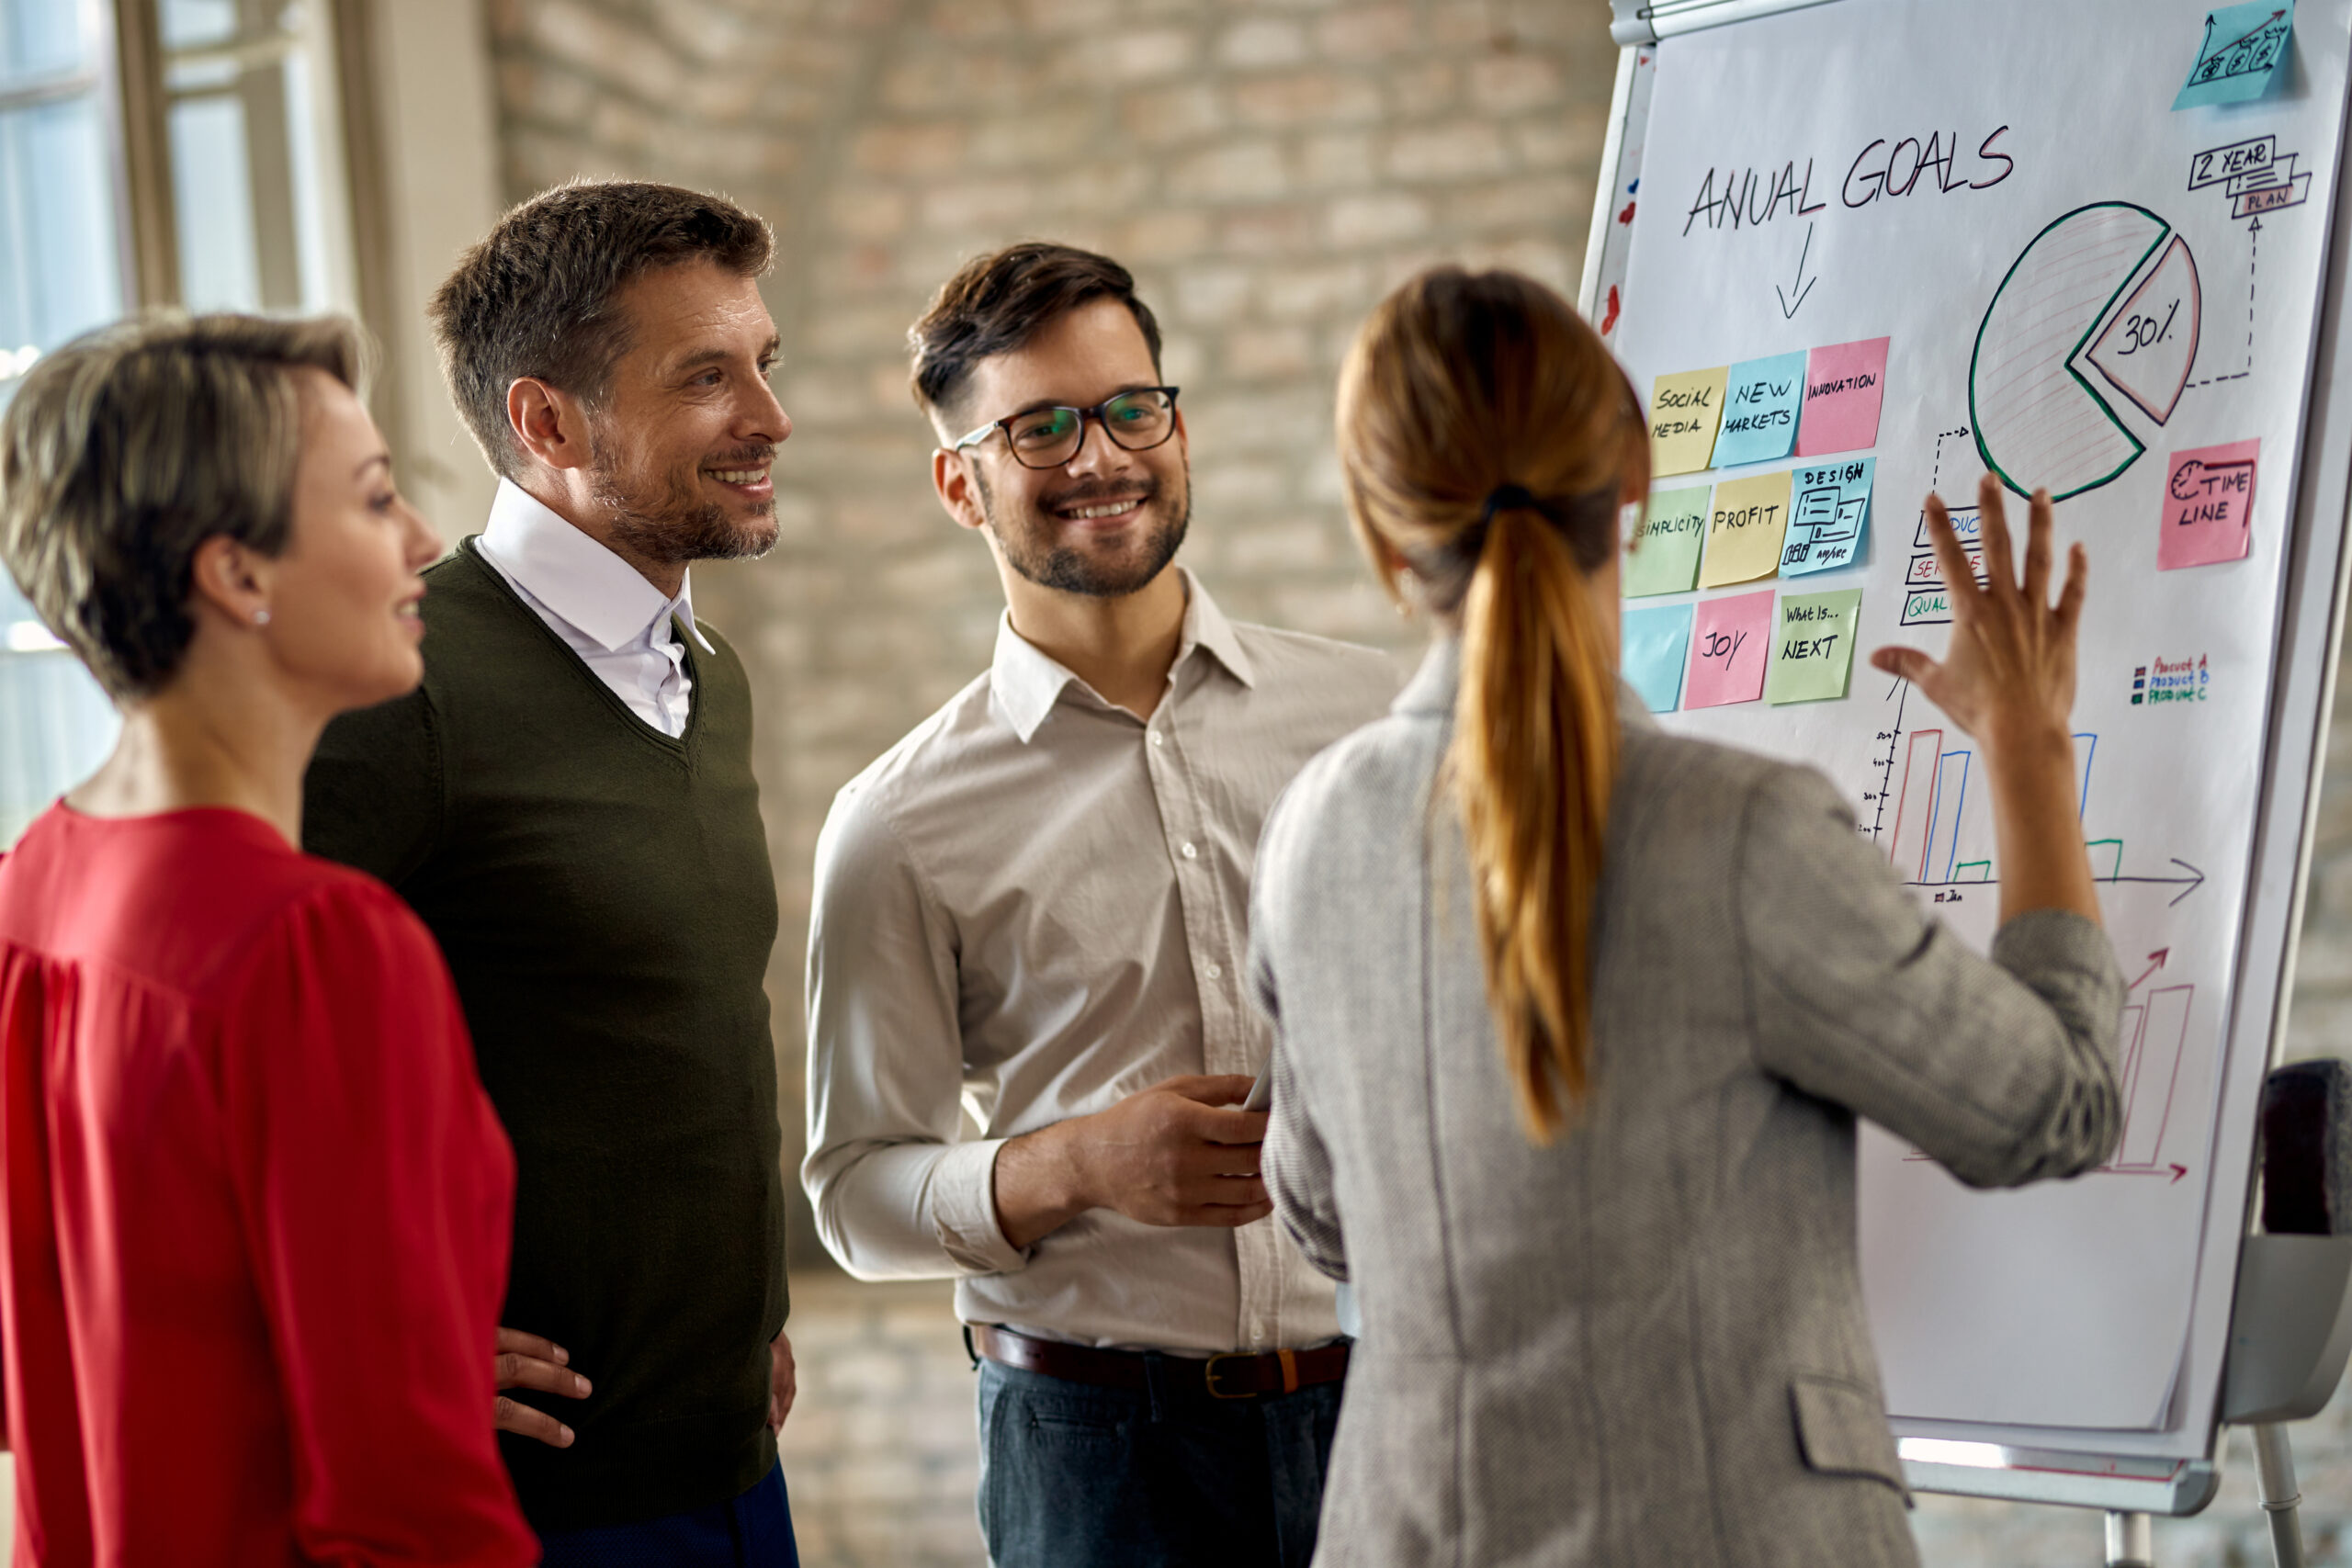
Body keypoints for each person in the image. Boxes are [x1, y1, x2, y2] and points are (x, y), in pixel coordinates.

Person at [1249, 267, 2123, 1567]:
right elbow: (2052, 1107)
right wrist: (2030, 752)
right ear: (1635, 489)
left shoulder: (1310, 831)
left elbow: (1320, 1219)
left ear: (1387, 542)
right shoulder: (1741, 831)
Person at [801, 242, 1399, 1567]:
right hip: (1097, 1457)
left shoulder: (1373, 722)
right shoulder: (896, 821)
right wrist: (1079, 1164)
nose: (1100, 458)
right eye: (1040, 429)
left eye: (1133, 408)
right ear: (962, 483)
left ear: (1177, 425)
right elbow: (855, 1195)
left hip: (1393, 1409)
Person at [301, 182, 798, 1565]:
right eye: (709, 375)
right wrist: (369, 1334)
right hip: (525, 1511)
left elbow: (659, 1041)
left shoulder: (712, 677)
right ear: (546, 422)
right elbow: (203, 1064)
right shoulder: (401, 683)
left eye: (765, 362)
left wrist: (739, 1317)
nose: (769, 417)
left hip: (733, 1466)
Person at [0, 313, 534, 1565]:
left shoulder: (26, 889)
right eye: (375, 498)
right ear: (236, 575)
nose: (420, 543)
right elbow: (406, 1507)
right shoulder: (317, 946)